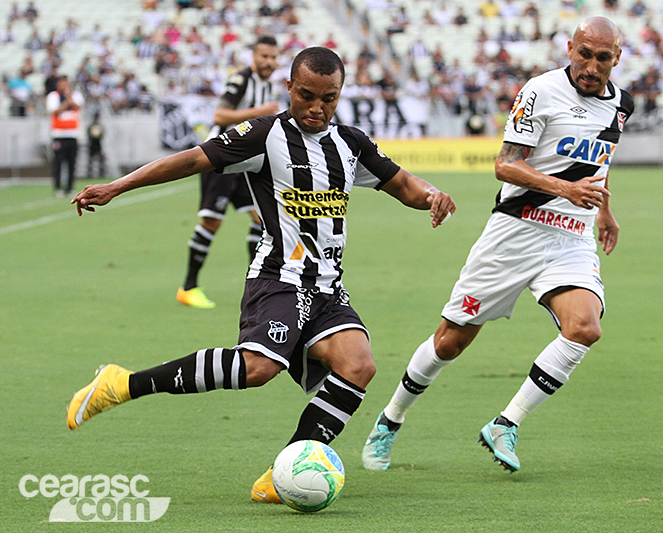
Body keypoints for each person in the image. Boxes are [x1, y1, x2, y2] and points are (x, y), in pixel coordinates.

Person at [67, 47, 456, 504]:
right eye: (306, 95)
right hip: (277, 277)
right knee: (258, 368)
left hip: (328, 284)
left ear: (340, 94)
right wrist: (118, 185)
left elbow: (406, 186)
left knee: (359, 365)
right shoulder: (264, 135)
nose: (316, 108)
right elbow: (193, 159)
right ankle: (121, 384)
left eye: (328, 98)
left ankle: (284, 472)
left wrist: (433, 195)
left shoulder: (352, 144)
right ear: (288, 88)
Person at [362, 16, 633, 473]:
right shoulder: (540, 91)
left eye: (602, 58)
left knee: (584, 327)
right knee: (450, 342)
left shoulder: (621, 105)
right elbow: (505, 166)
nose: (591, 65)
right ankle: (390, 419)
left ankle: (506, 423)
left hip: (571, 237)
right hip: (515, 232)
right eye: (584, 54)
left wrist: (603, 208)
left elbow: (599, 161)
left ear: (616, 59)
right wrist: (564, 190)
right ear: (570, 48)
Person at [177, 35, 282, 309]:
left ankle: (259, 286)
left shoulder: (267, 84)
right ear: (253, 57)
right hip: (221, 160)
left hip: (244, 163)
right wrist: (261, 112)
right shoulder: (242, 80)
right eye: (264, 57)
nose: (269, 62)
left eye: (273, 57)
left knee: (261, 219)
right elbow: (220, 116)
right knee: (212, 222)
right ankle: (188, 287)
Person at [47, 75, 84, 197]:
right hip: (58, 134)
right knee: (58, 162)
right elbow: (54, 111)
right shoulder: (53, 96)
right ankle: (58, 187)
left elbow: (78, 106)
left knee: (71, 162)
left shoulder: (76, 95)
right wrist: (65, 102)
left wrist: (69, 97)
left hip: (72, 134)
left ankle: (70, 187)